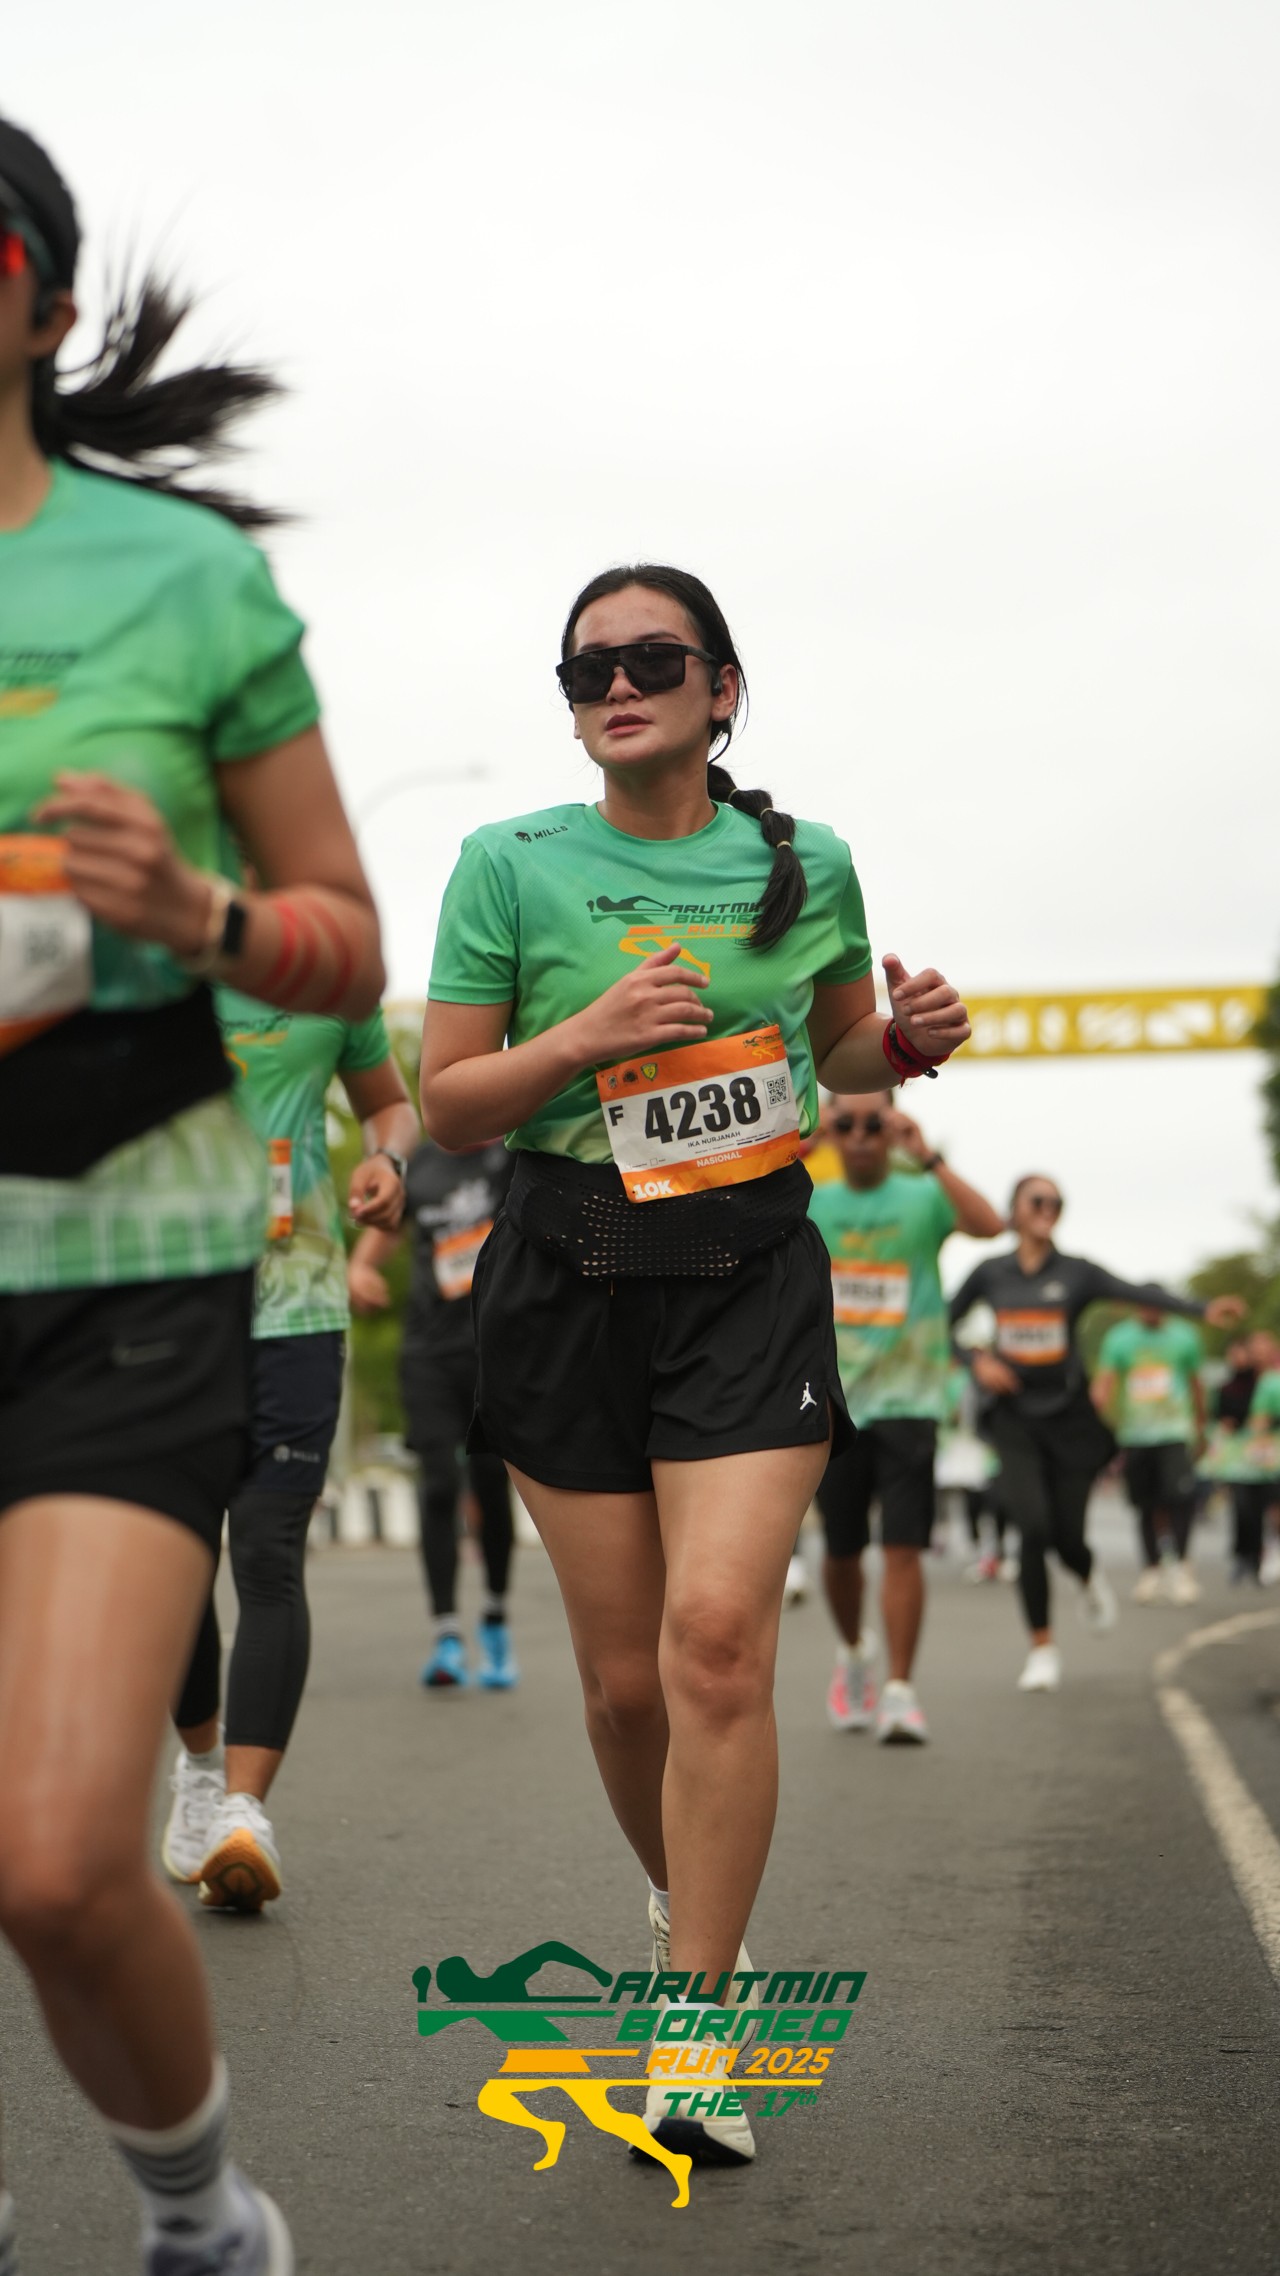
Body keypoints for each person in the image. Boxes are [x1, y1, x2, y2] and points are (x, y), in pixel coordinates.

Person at [419, 561, 971, 2169]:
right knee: (621, 1687)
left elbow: (839, 1043)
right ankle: (683, 1893)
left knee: (717, 1640)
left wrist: (906, 1043)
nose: (617, 684)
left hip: (747, 1273)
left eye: (653, 659)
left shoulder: (807, 861)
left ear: (722, 690)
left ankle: (699, 2022)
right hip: (565, 1275)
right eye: (586, 668)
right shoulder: (509, 862)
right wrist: (586, 1038)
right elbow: (449, 1100)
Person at [0, 119, 384, 2275]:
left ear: (47, 307)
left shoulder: (179, 581)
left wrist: (200, 913)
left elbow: (342, 938)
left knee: (59, 1860)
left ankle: (202, 2216)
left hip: (123, 1263)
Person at [161, 989, 417, 1908]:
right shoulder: (151, 965)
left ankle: (243, 1810)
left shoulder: (331, 982)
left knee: (269, 1553)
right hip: (166, 1306)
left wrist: (388, 1156)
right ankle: (200, 1765)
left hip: (299, 1304)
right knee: (177, 1562)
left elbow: (391, 1104)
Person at [949, 1178, 1242, 1692]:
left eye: (1056, 1203)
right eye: (1038, 1201)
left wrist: (1201, 1309)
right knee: (1032, 1529)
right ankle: (1042, 1648)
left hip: (1071, 1423)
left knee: (1067, 1538)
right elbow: (943, 1321)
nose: (1049, 1209)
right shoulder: (990, 1272)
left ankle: (1086, 1576)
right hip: (1015, 1421)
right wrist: (977, 1361)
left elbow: (1137, 1292)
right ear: (1014, 1210)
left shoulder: (1076, 1273)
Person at [807, 1094, 1003, 1740]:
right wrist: (804, 1144)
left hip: (911, 1401)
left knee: (902, 1548)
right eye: (847, 1122)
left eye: (876, 1123)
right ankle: (853, 1653)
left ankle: (899, 1690)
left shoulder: (922, 1196)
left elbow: (989, 1224)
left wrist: (927, 1155)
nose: (861, 1136)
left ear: (894, 1127)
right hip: (836, 1404)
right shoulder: (810, 1197)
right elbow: (732, 1213)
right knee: (841, 1552)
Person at [348, 1135, 518, 1688]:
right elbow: (385, 1229)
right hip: (428, 1351)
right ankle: (446, 1634)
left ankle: (495, 1619)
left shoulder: (512, 1150)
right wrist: (360, 1267)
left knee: (491, 1481)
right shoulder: (419, 1164)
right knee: (439, 1482)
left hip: (494, 1346)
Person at [1091, 1306, 1206, 1604]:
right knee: (1145, 1504)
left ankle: (1181, 1567)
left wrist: (1201, 1426)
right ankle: (1151, 1569)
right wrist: (1092, 1419)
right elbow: (1105, 1382)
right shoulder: (1120, 1338)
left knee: (1179, 1499)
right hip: (1135, 1434)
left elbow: (1196, 1382)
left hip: (1175, 1431)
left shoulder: (1184, 1336)